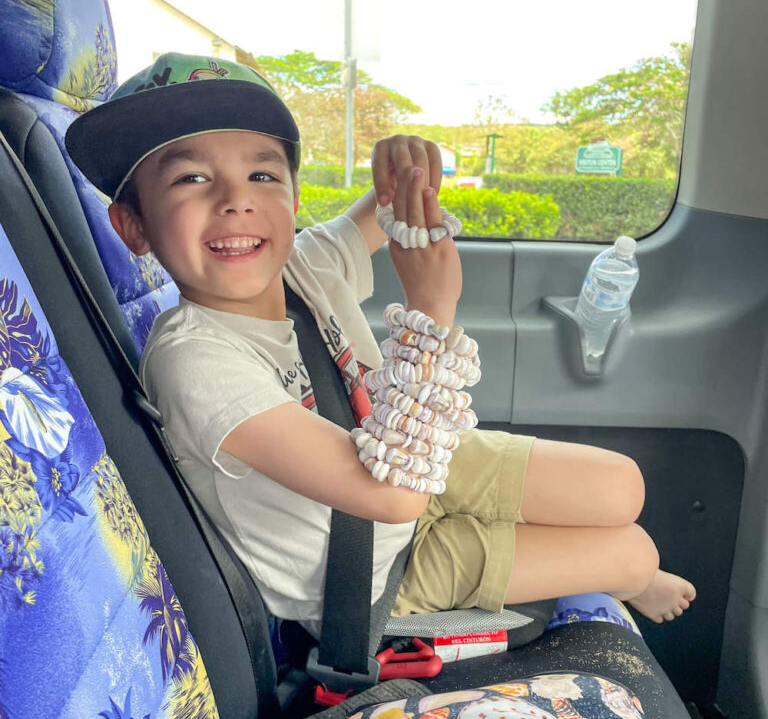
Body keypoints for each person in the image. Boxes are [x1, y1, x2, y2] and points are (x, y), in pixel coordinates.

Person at [66, 52, 696, 641]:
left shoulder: (304, 265)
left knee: (622, 487)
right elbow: (393, 497)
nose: (236, 201)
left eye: (262, 173)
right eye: (192, 178)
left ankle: (570, 555)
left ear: (291, 198)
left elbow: (388, 205)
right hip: (364, 568)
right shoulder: (193, 361)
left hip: (402, 455)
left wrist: (404, 167)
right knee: (633, 555)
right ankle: (632, 579)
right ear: (135, 227)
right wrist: (431, 310)